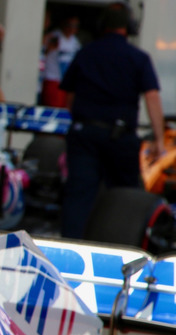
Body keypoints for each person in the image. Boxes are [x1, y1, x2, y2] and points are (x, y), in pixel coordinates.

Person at [59, 3, 165, 240]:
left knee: (78, 196)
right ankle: (126, 249)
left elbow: (69, 97)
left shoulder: (85, 52)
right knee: (127, 197)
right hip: (120, 138)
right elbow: (152, 97)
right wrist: (159, 139)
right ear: (129, 27)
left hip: (84, 133)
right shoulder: (138, 57)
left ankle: (70, 250)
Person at [40, 15, 81, 108]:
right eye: (69, 25)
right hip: (52, 79)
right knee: (54, 108)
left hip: (66, 81)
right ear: (63, 24)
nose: (71, 28)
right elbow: (42, 55)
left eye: (75, 26)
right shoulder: (54, 36)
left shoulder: (75, 42)